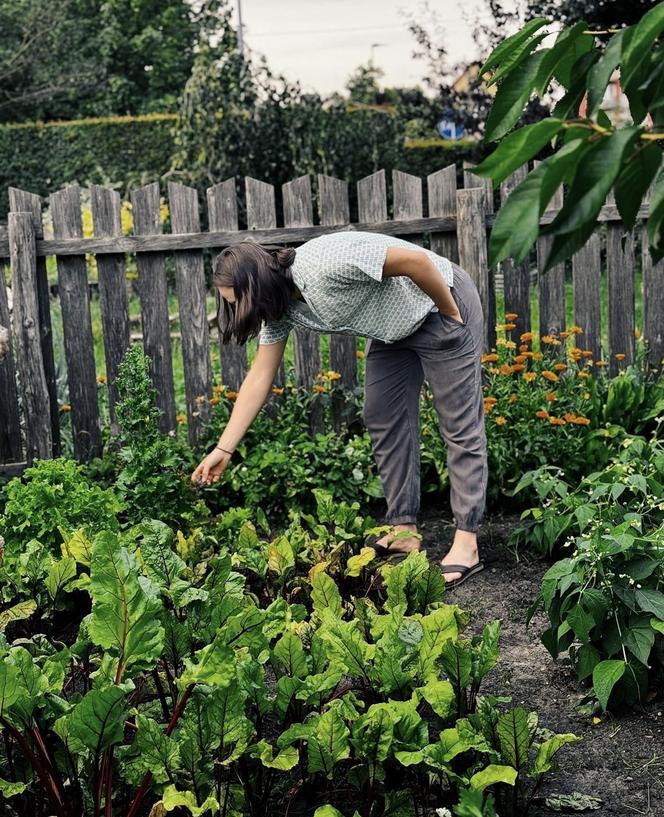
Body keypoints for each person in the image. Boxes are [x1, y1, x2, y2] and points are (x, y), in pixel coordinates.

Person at [191, 231, 487, 588]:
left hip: (439, 302)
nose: (238, 311)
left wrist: (450, 309)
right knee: (383, 416)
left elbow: (416, 262)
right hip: (394, 329)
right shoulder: (281, 308)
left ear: (257, 286)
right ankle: (404, 530)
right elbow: (260, 377)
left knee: (459, 423)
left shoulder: (322, 265)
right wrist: (224, 449)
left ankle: (467, 544)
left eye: (238, 301)